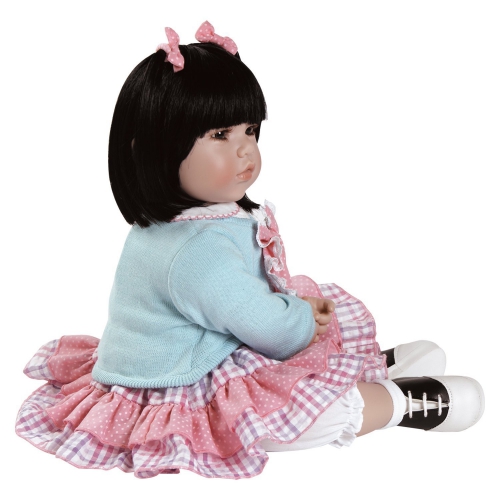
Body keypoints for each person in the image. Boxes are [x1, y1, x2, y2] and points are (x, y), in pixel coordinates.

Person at [16, 21, 485, 480]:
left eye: (250, 131)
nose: (246, 151)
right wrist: (304, 319)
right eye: (220, 135)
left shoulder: (191, 219)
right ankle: (397, 402)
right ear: (152, 149)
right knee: (286, 420)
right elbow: (267, 329)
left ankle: (367, 371)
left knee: (294, 331)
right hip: (180, 379)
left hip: (207, 342)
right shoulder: (196, 253)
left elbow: (245, 307)